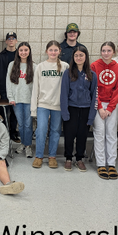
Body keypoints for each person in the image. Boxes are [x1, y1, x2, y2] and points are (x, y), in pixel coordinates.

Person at [91, 41, 118, 179]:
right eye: (103, 50)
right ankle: (100, 164)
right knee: (99, 133)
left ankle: (111, 164)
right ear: (100, 52)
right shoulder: (94, 66)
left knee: (111, 134)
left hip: (112, 105)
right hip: (97, 104)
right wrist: (99, 107)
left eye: (109, 51)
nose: (106, 53)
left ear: (113, 52)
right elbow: (93, 88)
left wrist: (110, 108)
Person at [31, 41, 66, 169]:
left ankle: (52, 156)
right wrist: (33, 109)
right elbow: (35, 88)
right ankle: (39, 156)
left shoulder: (65, 66)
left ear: (59, 51)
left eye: (55, 50)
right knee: (41, 130)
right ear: (47, 51)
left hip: (58, 105)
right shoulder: (40, 67)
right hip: (43, 104)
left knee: (56, 131)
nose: (53, 52)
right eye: (51, 50)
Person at [60, 47, 97, 171]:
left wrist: (91, 116)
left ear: (85, 57)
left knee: (82, 135)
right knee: (69, 135)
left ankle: (79, 158)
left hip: (85, 109)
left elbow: (94, 97)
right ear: (73, 57)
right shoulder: (68, 73)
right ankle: (69, 158)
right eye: (76, 55)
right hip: (71, 108)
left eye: (81, 55)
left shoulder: (92, 75)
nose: (79, 58)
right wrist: (65, 113)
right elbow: (64, 94)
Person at [6, 42, 35, 159]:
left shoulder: (34, 66)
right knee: (21, 124)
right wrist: (11, 98)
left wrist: (35, 100)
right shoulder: (12, 65)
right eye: (21, 50)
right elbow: (8, 83)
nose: (23, 52)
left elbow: (36, 86)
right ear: (18, 52)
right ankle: (23, 143)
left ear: (29, 52)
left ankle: (28, 146)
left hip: (29, 100)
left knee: (28, 124)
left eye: (26, 50)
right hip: (16, 100)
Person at [0, 32, 20, 142]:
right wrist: (2, 88)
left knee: (14, 113)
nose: (11, 40)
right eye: (9, 39)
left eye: (13, 38)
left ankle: (13, 133)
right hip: (4, 89)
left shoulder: (19, 55)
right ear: (6, 41)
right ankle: (4, 133)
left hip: (16, 89)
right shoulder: (0, 56)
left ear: (16, 41)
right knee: (4, 113)